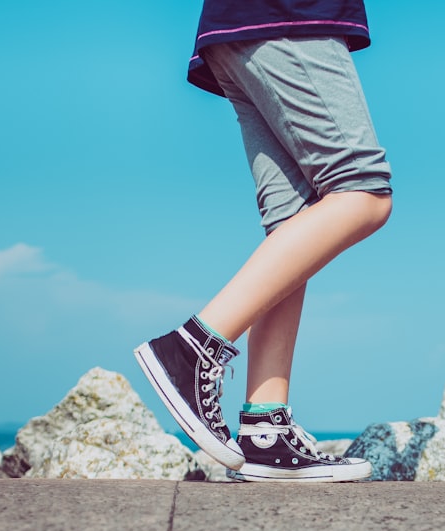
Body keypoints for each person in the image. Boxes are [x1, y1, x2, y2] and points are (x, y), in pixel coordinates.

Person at [134, 0, 392, 483]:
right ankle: (191, 349)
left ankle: (265, 429)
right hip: (290, 16)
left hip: (238, 28)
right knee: (363, 190)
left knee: (294, 225)